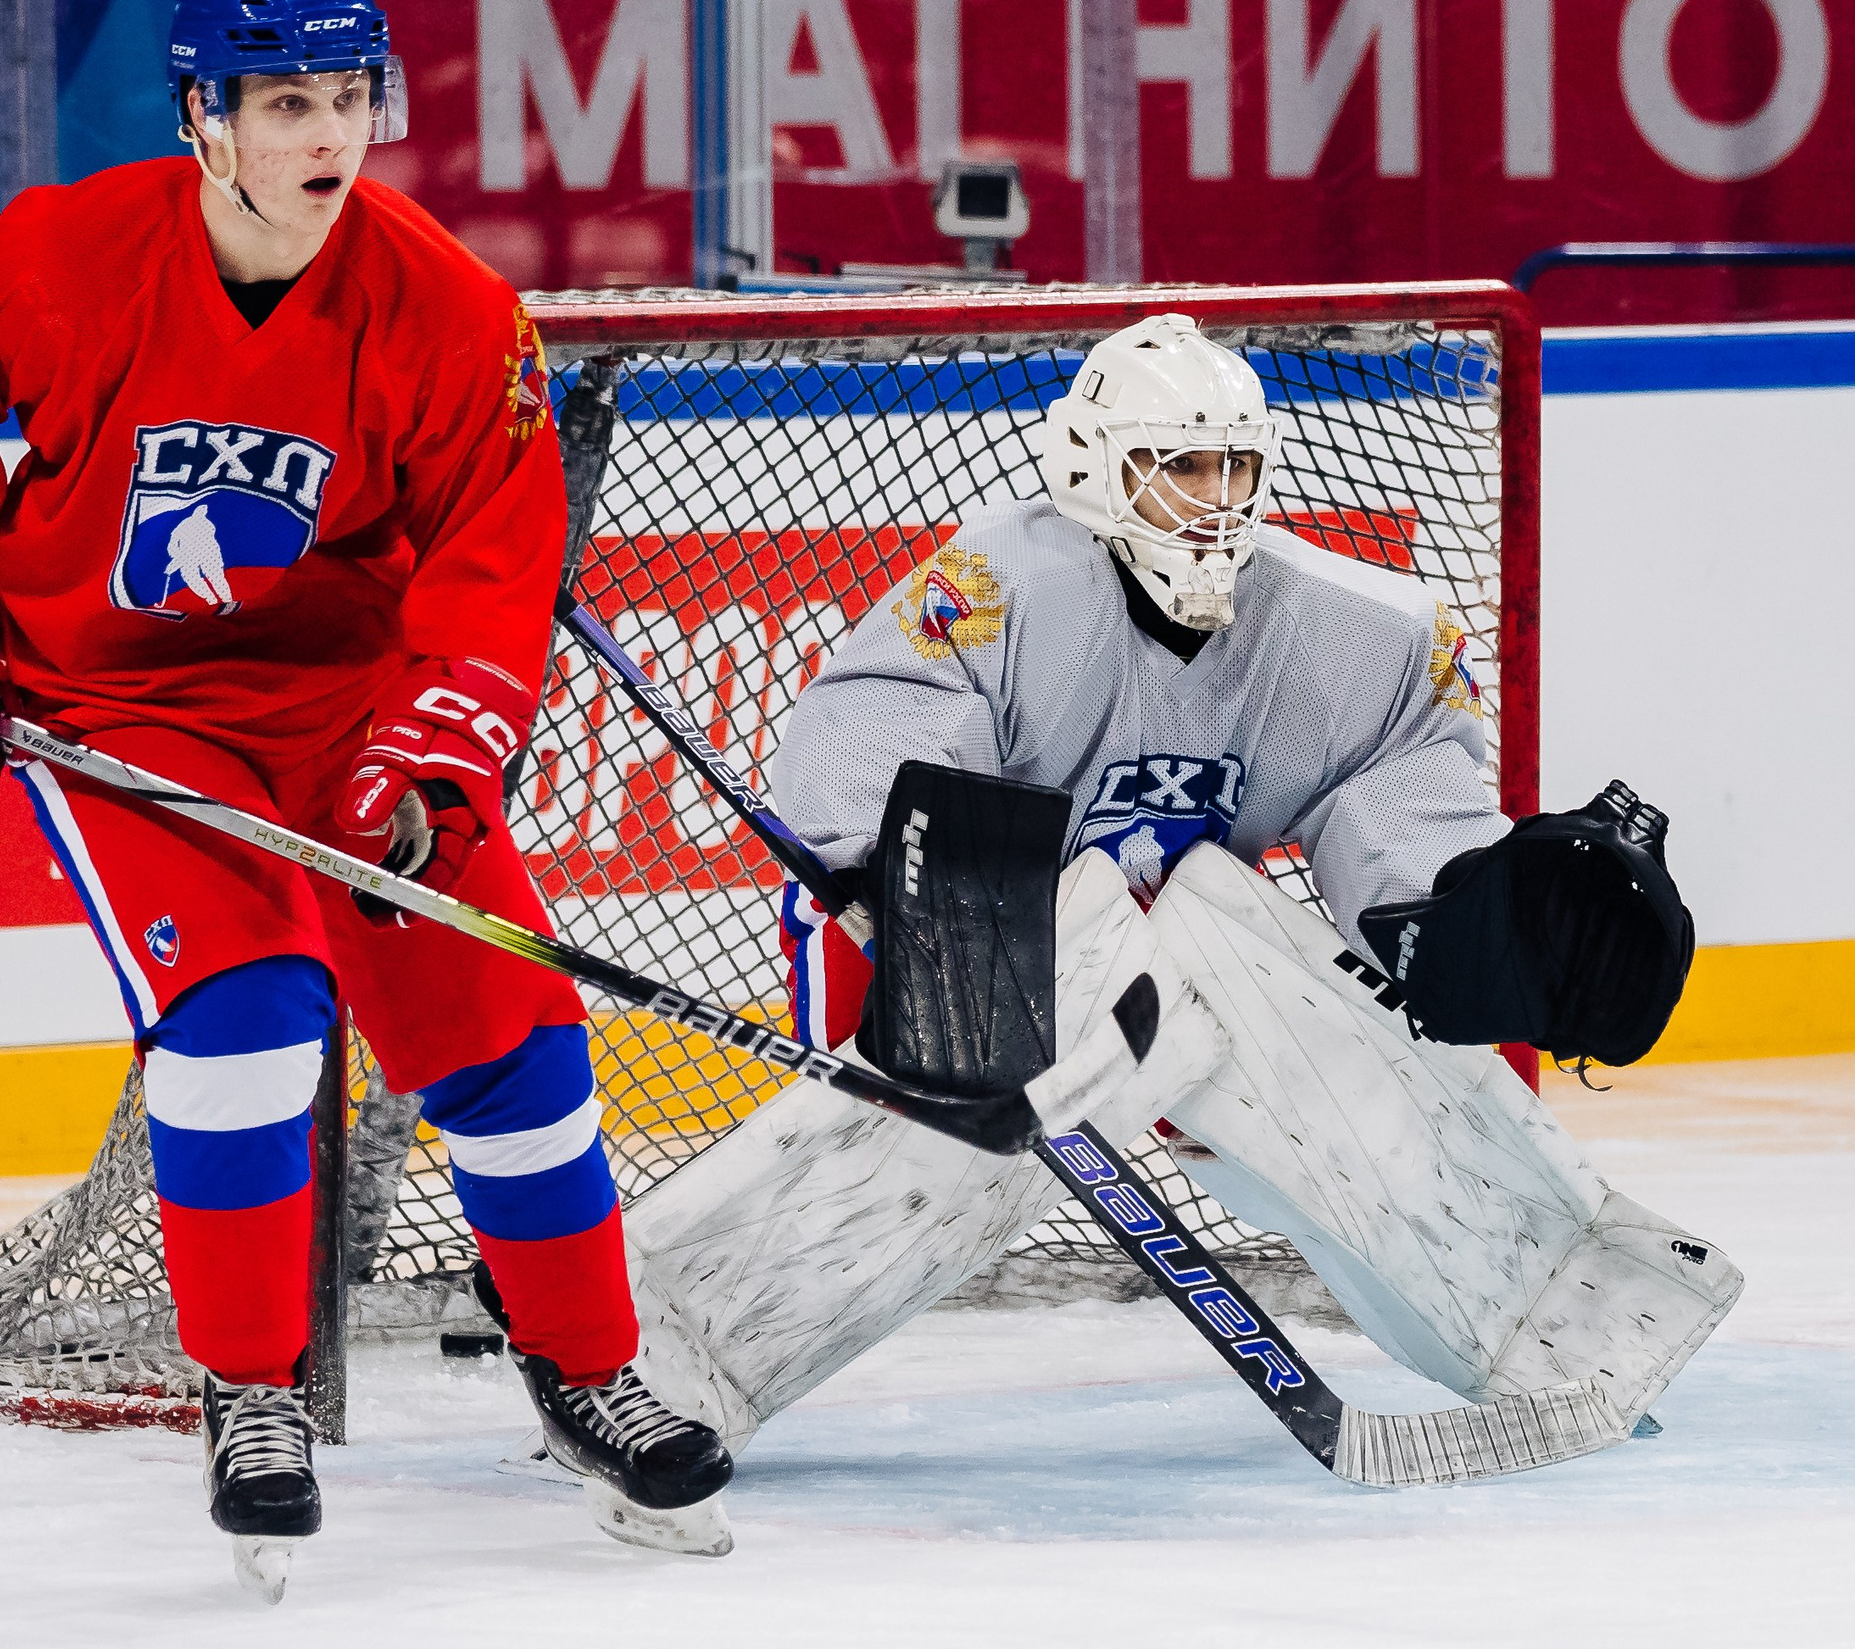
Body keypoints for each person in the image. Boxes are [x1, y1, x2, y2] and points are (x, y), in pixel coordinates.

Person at [0, 0, 732, 1592]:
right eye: (287, 104)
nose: (328, 136)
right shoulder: (61, 257)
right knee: (248, 1015)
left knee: (518, 1035)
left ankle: (589, 1371)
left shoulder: (450, 308)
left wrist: (433, 753)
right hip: (133, 716)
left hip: (352, 714)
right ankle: (251, 1391)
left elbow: (491, 554)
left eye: (348, 99)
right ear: (205, 117)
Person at [615, 313, 1739, 1462]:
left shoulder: (1355, 633)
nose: (1213, 498)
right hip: (958, 935)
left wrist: (1459, 911)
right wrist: (910, 904)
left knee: (1331, 1051)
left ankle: (1567, 1321)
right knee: (910, 1169)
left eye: (1233, 467)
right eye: (1179, 465)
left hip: (1175, 953)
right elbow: (880, 748)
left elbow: (1396, 794)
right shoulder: (998, 585)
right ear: (1093, 467)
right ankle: (654, 1356)